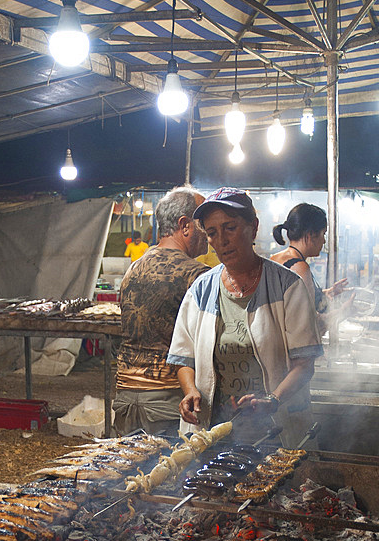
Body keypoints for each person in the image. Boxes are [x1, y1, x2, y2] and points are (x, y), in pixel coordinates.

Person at [167, 187, 323, 442]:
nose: (222, 241)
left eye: (230, 228)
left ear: (253, 227)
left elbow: (305, 365)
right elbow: (184, 359)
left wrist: (273, 400)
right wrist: (190, 391)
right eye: (212, 233)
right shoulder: (201, 289)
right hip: (214, 433)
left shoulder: (288, 286)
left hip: (274, 432)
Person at [113, 186, 210, 436]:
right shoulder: (196, 275)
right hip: (168, 402)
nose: (209, 233)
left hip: (125, 398)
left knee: (129, 473)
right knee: (168, 473)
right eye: (203, 224)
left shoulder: (133, 269)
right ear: (185, 225)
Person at [271, 203, 352, 329]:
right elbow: (312, 324)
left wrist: (325, 293)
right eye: (323, 234)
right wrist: (345, 311)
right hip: (293, 347)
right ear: (310, 235)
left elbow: (290, 302)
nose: (324, 241)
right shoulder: (299, 268)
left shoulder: (275, 258)